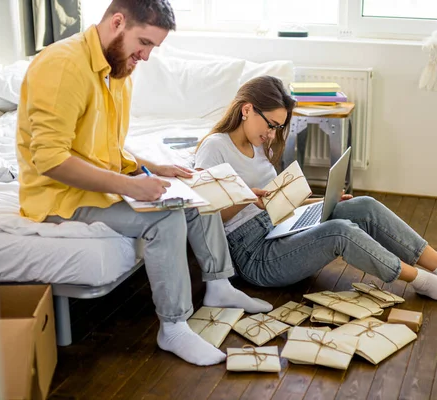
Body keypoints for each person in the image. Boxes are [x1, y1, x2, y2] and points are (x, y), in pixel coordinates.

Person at [16, 0, 272, 366]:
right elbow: (50, 159)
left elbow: (108, 147)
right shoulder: (62, 66)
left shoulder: (117, 68)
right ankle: (174, 326)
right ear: (117, 22)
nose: (147, 56)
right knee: (165, 217)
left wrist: (152, 167)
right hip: (60, 198)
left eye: (153, 47)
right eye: (145, 43)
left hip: (99, 185)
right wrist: (130, 185)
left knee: (196, 189)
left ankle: (218, 285)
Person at [194, 76, 437, 305]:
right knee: (339, 231)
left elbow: (275, 201)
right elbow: (206, 218)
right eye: (271, 125)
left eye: (277, 128)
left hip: (278, 226)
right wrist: (248, 198)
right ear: (247, 109)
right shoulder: (214, 148)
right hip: (253, 256)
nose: (271, 134)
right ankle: (422, 282)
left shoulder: (259, 144)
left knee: (363, 205)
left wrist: (322, 201)